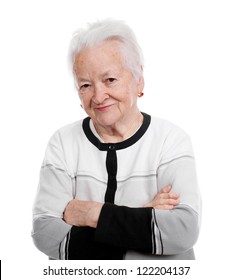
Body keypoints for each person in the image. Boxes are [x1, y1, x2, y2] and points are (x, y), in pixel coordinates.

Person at [32, 19, 201, 260]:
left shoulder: (170, 140)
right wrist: (142, 217)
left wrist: (91, 214)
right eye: (86, 85)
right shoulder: (63, 143)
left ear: (138, 79)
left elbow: (182, 231)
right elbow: (45, 233)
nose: (99, 96)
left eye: (110, 80)